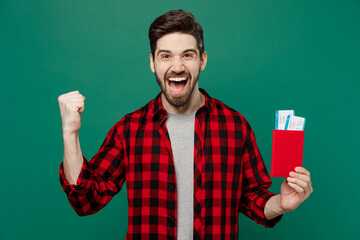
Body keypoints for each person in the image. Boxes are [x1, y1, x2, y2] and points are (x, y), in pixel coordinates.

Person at [58, 9, 313, 240]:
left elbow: (250, 198)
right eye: (165, 56)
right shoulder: (129, 130)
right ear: (152, 63)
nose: (177, 66)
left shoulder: (235, 126)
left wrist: (282, 202)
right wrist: (70, 133)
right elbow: (85, 200)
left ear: (202, 60)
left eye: (187, 55)